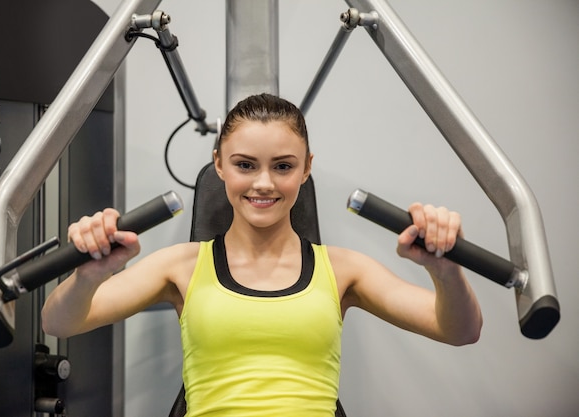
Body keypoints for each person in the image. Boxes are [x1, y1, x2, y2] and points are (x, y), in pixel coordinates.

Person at [42, 93, 482, 416]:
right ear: (219, 165)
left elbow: (460, 330)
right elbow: (58, 322)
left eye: (283, 166)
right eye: (245, 165)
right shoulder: (182, 265)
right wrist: (88, 276)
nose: (264, 183)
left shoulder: (345, 269)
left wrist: (446, 272)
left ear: (306, 168)